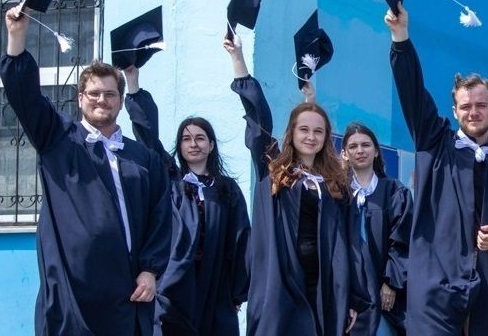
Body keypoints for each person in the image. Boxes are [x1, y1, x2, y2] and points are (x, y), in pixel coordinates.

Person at [0, 5, 171, 336]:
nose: (101, 100)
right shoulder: (58, 139)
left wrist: (151, 270)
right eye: (93, 93)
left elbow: (160, 216)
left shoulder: (141, 158)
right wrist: (16, 37)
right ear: (80, 99)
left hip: (128, 295)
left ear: (120, 100)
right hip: (74, 297)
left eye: (109, 94)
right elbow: (26, 97)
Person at [385, 3, 488, 336]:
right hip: (437, 289)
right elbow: (412, 92)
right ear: (454, 111)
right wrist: (401, 37)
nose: (473, 112)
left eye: (481, 105)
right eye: (465, 106)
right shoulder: (435, 144)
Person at [225, 34, 367, 336]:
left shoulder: (336, 184)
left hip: (323, 286)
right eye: (304, 130)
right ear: (291, 133)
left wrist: (353, 298)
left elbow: (352, 243)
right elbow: (257, 118)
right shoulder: (274, 170)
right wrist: (238, 59)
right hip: (280, 284)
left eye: (318, 132)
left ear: (326, 137)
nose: (311, 137)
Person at [122, 67, 251, 336]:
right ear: (180, 146)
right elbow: (148, 137)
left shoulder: (226, 189)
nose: (193, 144)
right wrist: (133, 83)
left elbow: (240, 239)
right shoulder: (170, 180)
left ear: (211, 145)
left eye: (200, 138)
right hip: (176, 281)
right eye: (186, 139)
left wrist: (237, 292)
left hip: (215, 283)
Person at [340, 122, 413, 336]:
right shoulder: (337, 195)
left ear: (376, 152)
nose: (360, 151)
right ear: (344, 154)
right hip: (350, 293)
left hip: (387, 294)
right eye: (353, 146)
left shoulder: (395, 192)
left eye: (366, 145)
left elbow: (403, 240)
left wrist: (391, 283)